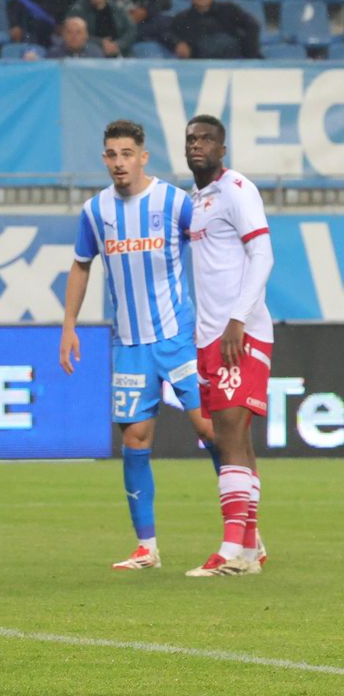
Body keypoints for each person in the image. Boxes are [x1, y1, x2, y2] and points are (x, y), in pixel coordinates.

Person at [60, 119, 220, 571]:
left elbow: (210, 249)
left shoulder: (173, 201)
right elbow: (80, 266)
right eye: (111, 154)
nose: (119, 163)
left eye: (127, 153)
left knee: (210, 429)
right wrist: (69, 325)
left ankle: (243, 533)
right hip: (129, 343)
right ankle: (146, 547)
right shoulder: (96, 211)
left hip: (178, 336)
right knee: (134, 437)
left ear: (143, 156)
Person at [184, 114, 272, 577]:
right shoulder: (196, 202)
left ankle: (231, 551)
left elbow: (263, 253)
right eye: (191, 139)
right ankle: (251, 547)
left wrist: (238, 318)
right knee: (233, 438)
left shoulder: (236, 189)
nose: (197, 145)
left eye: (205, 139)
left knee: (231, 436)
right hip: (209, 336)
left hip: (238, 332)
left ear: (222, 148)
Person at [170, 0, 260, 60]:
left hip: (232, 61)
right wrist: (178, 44)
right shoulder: (182, 19)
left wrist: (251, 57)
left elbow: (252, 25)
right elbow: (171, 36)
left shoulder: (229, 9)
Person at [66, 0, 134, 58]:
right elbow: (72, 35)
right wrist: (100, 43)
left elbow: (131, 30)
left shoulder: (117, 8)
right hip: (90, 54)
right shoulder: (77, 10)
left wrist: (118, 45)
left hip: (119, 51)